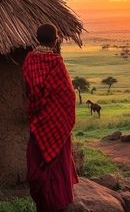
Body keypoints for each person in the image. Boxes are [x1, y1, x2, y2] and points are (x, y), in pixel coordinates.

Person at [23, 23, 79, 212]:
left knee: (39, 164)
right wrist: (61, 113)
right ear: (56, 40)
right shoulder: (56, 62)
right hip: (55, 124)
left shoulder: (29, 60)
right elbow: (68, 95)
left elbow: (28, 91)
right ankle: (58, 202)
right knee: (56, 161)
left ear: (37, 39)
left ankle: (43, 204)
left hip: (37, 123)